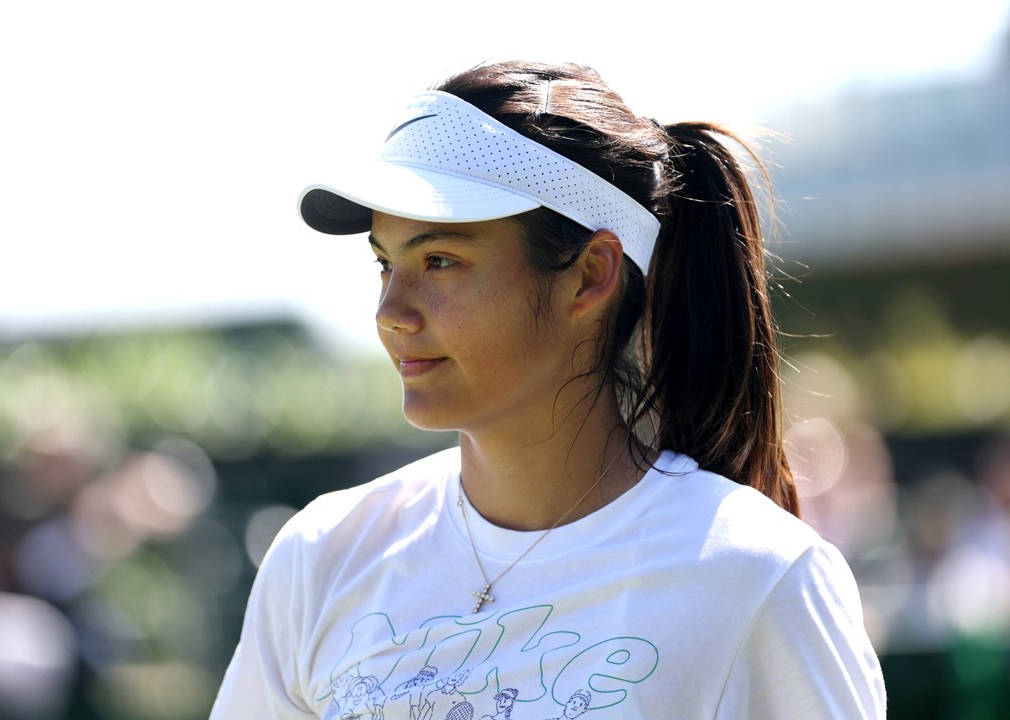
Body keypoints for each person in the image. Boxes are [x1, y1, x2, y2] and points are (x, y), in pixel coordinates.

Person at [210, 60, 886, 719]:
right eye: (386, 263)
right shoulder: (322, 557)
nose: (392, 312)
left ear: (591, 275)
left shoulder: (759, 578)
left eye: (440, 260)